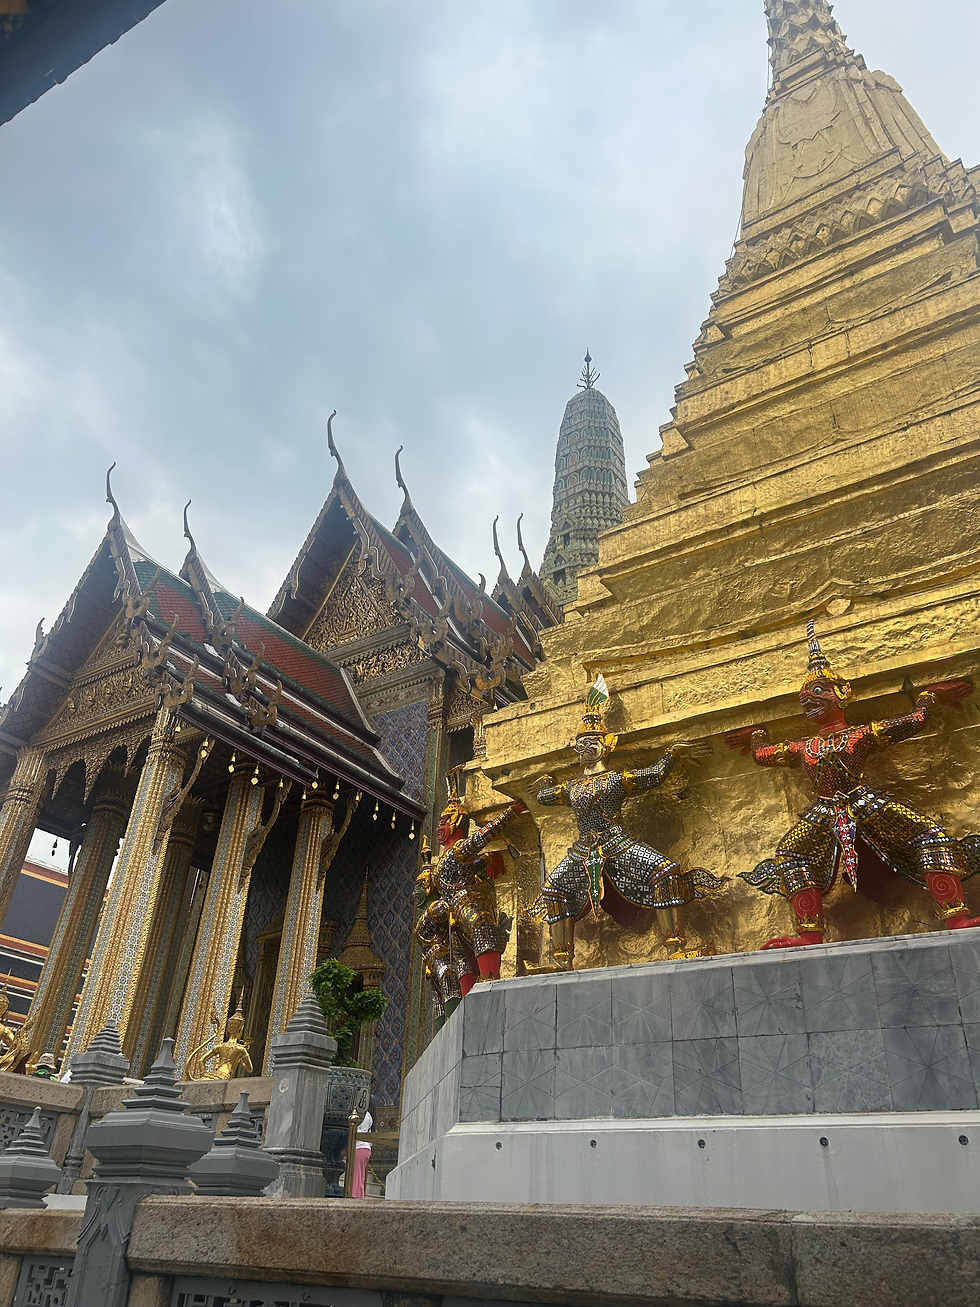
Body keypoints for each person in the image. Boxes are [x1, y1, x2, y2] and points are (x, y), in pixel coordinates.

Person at [729, 621, 980, 948]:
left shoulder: (861, 734)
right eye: (804, 697)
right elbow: (763, 755)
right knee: (790, 854)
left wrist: (929, 697)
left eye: (818, 692)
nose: (809, 700)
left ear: (841, 694)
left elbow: (914, 721)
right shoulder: (803, 746)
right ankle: (809, 935)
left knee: (929, 835)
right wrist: (756, 735)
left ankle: (957, 915)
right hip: (822, 812)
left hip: (864, 802)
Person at [531, 675, 725, 969]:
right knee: (553, 889)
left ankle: (675, 946)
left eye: (591, 742)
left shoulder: (616, 780)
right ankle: (562, 960)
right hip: (583, 850)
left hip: (618, 843)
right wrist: (544, 783)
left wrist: (673, 753)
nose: (584, 748)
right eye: (580, 743)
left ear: (606, 745)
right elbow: (545, 796)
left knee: (664, 870)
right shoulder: (571, 787)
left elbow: (654, 776)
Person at [432, 776, 526, 982]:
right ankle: (482, 987)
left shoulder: (458, 849)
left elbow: (484, 835)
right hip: (458, 909)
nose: (439, 827)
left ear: (456, 822)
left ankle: (489, 982)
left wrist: (512, 812)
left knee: (482, 930)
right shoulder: (449, 855)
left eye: (443, 822)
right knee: (475, 940)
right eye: (439, 823)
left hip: (463, 907)